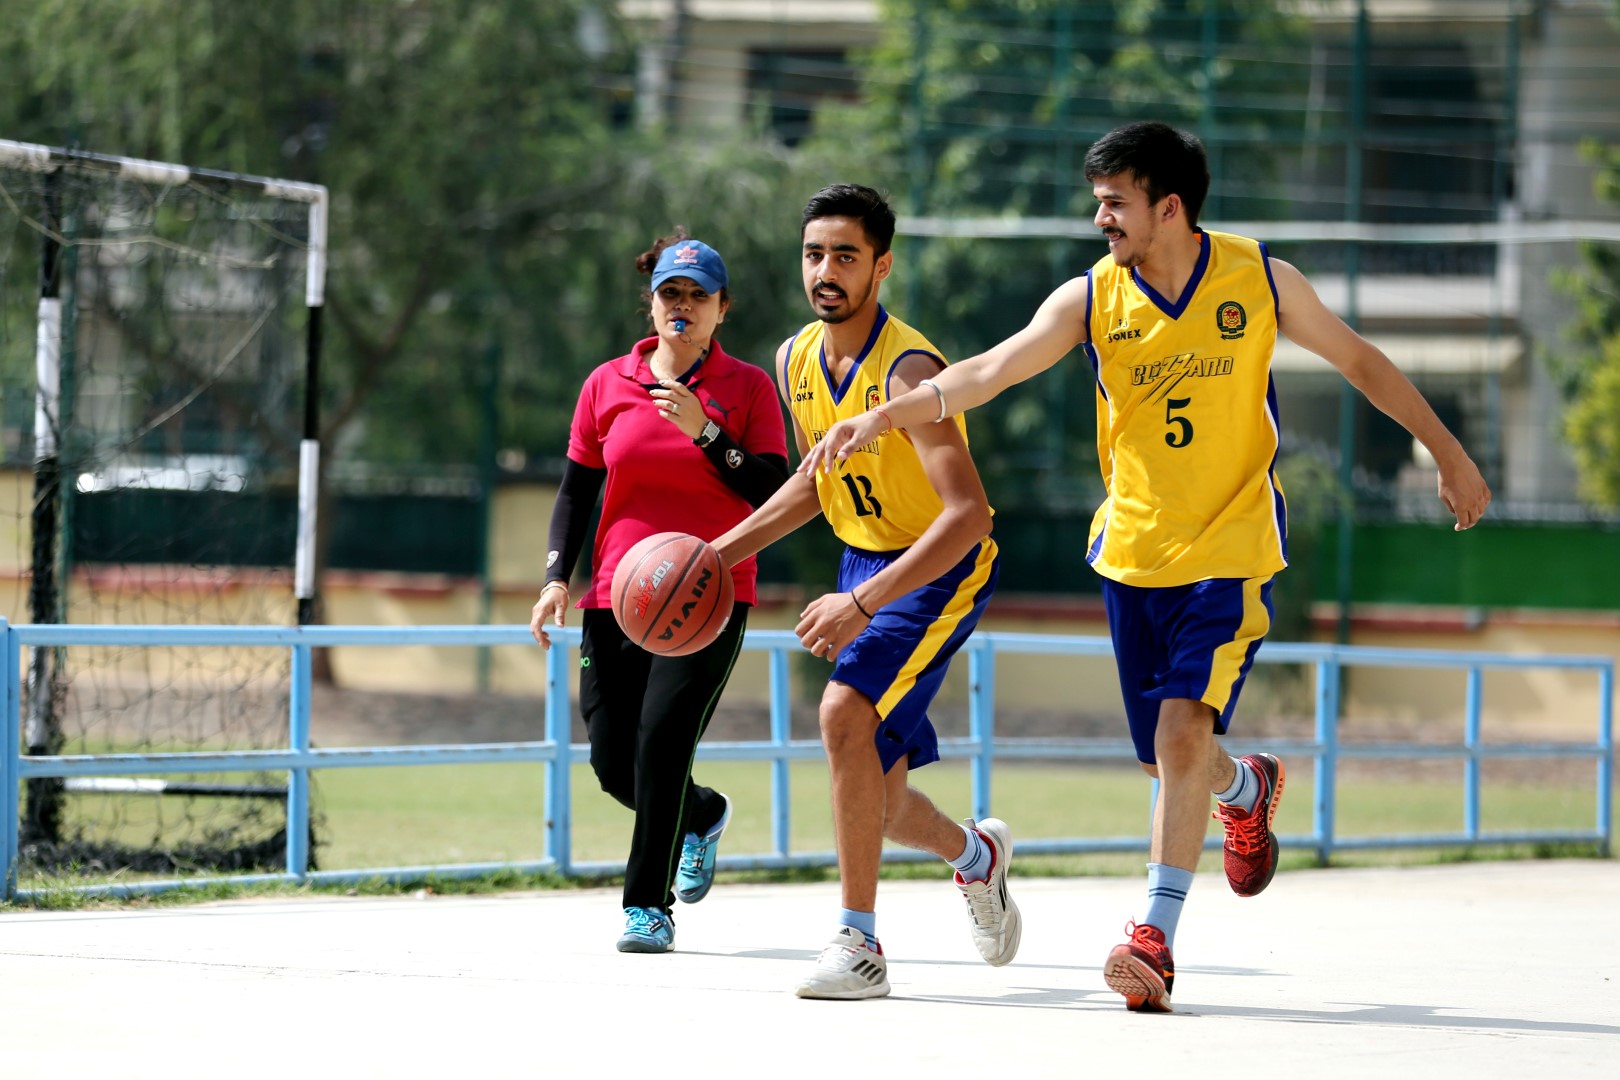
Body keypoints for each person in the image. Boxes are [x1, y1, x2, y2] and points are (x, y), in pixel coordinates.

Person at [802, 122, 1493, 1012]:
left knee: (1177, 739)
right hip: (1132, 556)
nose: (1101, 218)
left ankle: (1154, 940)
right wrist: (888, 417)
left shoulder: (1260, 277)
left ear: (1169, 207)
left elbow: (1359, 360)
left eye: (1115, 202)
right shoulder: (1092, 298)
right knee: (1173, 760)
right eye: (1098, 202)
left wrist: (1446, 450)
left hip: (1233, 550)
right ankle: (1245, 789)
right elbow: (994, 369)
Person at [709, 184, 1021, 1001]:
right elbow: (816, 485)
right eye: (815, 254)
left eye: (846, 255)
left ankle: (859, 942)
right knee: (874, 798)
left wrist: (864, 602)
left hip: (941, 567)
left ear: (881, 266)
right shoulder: (795, 358)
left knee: (842, 716)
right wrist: (719, 553)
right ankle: (975, 856)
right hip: (865, 562)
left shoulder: (909, 368)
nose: (826, 271)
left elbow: (969, 515)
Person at [530, 230, 789, 954]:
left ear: (722, 309)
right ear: (650, 303)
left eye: (698, 296)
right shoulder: (605, 384)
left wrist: (708, 432)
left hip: (710, 596)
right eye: (671, 294)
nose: (683, 307)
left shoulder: (747, 390)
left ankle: (648, 905)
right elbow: (576, 492)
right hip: (616, 597)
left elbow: (773, 491)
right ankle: (701, 814)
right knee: (615, 762)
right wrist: (556, 577)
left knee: (661, 745)